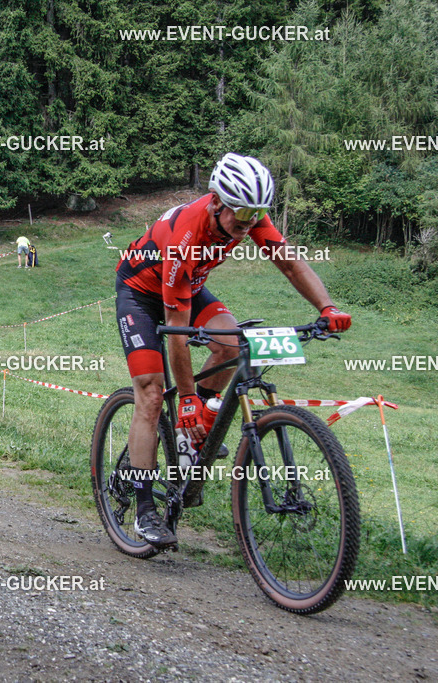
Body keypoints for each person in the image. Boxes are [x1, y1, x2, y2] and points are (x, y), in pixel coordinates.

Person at [114, 153, 352, 547]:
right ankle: (144, 511)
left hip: (187, 287)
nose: (246, 225)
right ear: (215, 201)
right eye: (239, 214)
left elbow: (290, 264)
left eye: (255, 215)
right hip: (141, 293)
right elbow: (177, 332)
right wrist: (187, 396)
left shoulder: (249, 218)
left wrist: (327, 307)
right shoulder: (186, 236)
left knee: (231, 343)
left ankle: (193, 431)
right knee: (152, 393)